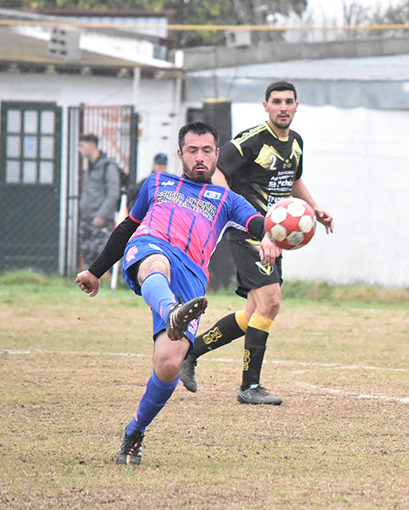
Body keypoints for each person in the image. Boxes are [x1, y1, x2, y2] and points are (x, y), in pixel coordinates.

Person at [75, 121, 280, 465]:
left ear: (217, 153)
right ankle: (171, 309)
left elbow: (255, 222)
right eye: (192, 151)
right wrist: (95, 271)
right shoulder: (156, 183)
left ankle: (134, 432)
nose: (199, 158)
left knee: (168, 365)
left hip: (191, 277)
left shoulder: (227, 200)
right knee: (155, 264)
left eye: (206, 151)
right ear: (180, 154)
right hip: (152, 247)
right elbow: (128, 226)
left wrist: (270, 235)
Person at [180, 81, 334, 405]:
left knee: (254, 312)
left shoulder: (296, 142)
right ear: (265, 106)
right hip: (248, 230)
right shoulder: (252, 140)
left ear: (296, 106)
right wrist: (227, 206)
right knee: (271, 301)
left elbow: (292, 180)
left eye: (288, 101)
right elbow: (217, 170)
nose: (283, 107)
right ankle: (249, 387)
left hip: (275, 236)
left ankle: (189, 353)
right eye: (276, 101)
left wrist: (314, 209)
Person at [78, 133, 120, 268]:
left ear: (92, 145)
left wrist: (101, 215)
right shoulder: (90, 166)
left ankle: (106, 281)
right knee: (87, 252)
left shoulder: (108, 166)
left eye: (82, 145)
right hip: (87, 218)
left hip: (100, 219)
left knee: (100, 253)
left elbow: (113, 194)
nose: (79, 149)